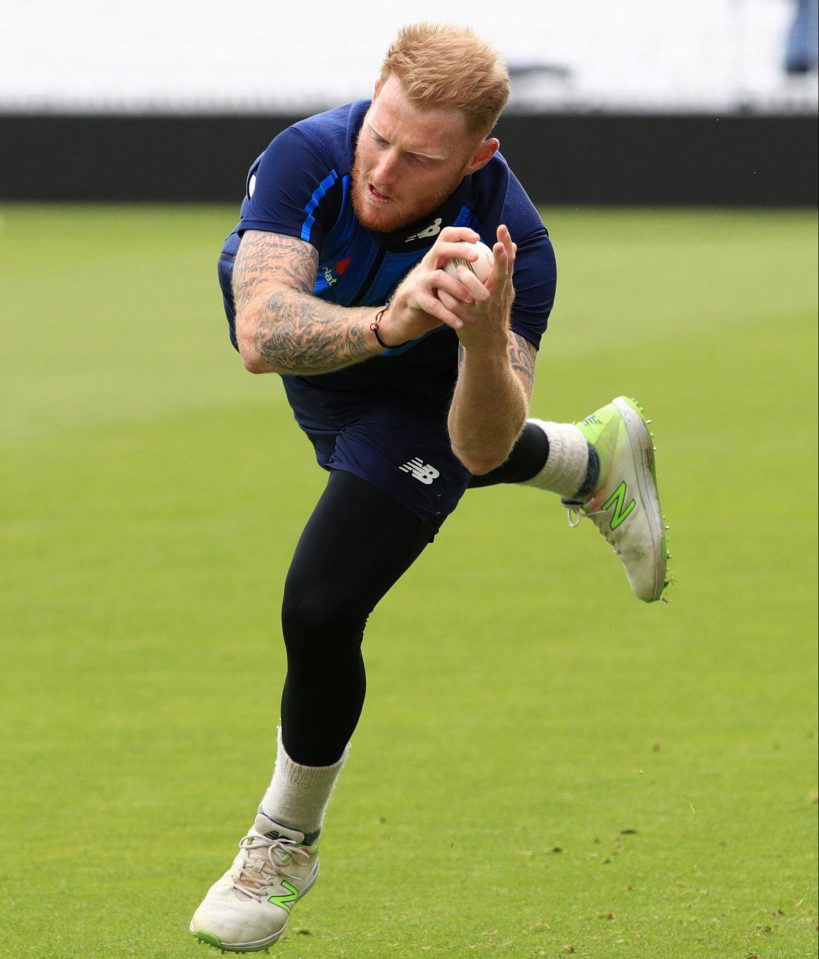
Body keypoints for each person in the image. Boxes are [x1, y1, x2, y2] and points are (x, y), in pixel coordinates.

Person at [190, 22, 668, 953]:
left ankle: (281, 843)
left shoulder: (512, 243)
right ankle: (588, 459)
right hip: (332, 362)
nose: (382, 171)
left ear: (477, 157)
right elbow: (258, 332)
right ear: (371, 97)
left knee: (320, 605)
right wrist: (390, 319)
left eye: (420, 159)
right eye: (380, 136)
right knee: (374, 457)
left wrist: (484, 342)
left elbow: (478, 442)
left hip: (421, 400)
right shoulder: (310, 157)